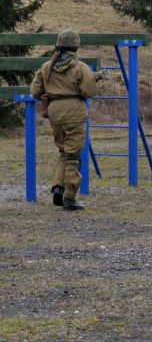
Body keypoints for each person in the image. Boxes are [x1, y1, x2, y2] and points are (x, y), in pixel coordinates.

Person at [29, 29, 99, 211]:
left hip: (55, 113)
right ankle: (69, 197)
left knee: (64, 153)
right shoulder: (80, 67)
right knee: (73, 157)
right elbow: (88, 92)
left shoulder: (46, 67)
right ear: (76, 46)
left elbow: (35, 91)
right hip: (74, 112)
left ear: (58, 45)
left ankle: (58, 187)